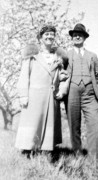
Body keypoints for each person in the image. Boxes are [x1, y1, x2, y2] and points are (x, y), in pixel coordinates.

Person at [15, 25, 68, 154]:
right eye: (46, 34)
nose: (50, 37)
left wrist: (62, 90)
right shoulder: (32, 56)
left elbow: (63, 77)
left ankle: (46, 152)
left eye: (52, 34)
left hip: (51, 98)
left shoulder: (58, 57)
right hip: (34, 97)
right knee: (32, 124)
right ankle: (27, 152)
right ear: (40, 38)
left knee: (49, 127)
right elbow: (24, 76)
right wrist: (23, 95)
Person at [66, 23, 98, 158]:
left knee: (94, 124)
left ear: (84, 38)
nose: (77, 36)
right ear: (72, 37)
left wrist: (90, 85)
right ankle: (78, 155)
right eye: (75, 35)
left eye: (80, 35)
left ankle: (96, 159)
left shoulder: (92, 55)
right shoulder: (66, 55)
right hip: (71, 93)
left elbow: (97, 74)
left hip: (90, 94)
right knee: (74, 125)